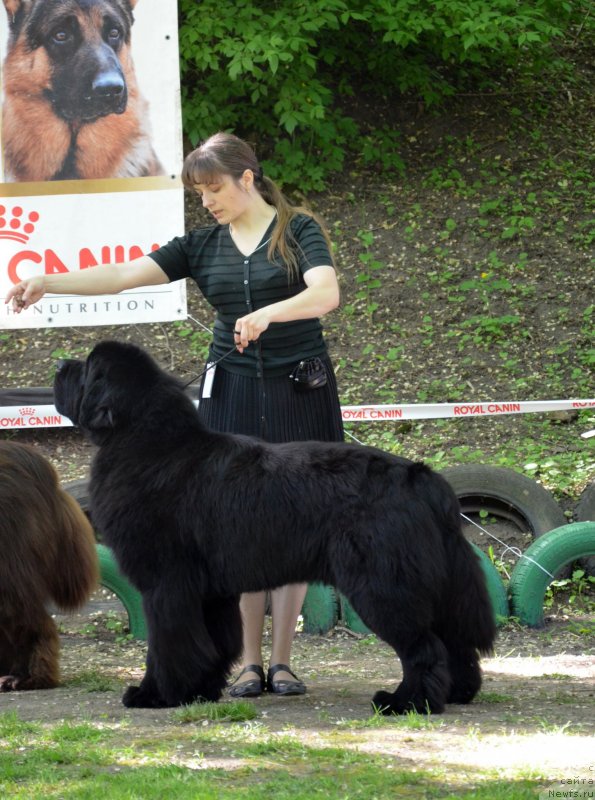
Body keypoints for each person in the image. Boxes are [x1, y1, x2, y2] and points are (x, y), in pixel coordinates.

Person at [5, 132, 344, 698]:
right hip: (229, 392)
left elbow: (325, 293)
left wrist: (268, 314)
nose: (207, 201)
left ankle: (283, 661)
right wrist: (48, 283)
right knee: (231, 528)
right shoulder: (202, 245)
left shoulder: (297, 231)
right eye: (198, 192)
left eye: (213, 189)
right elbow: (119, 276)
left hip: (297, 391)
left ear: (247, 179)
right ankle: (248, 664)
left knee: (296, 519)